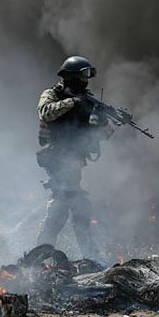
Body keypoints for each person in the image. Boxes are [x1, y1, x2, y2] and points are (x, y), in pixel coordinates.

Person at [35, 56, 112, 261]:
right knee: (71, 209)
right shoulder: (52, 94)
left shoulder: (88, 100)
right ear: (70, 76)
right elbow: (45, 113)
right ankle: (43, 256)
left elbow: (105, 134)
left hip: (74, 161)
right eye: (83, 75)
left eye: (88, 76)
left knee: (69, 209)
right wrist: (73, 102)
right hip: (57, 159)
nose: (86, 80)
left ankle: (88, 258)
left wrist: (99, 121)